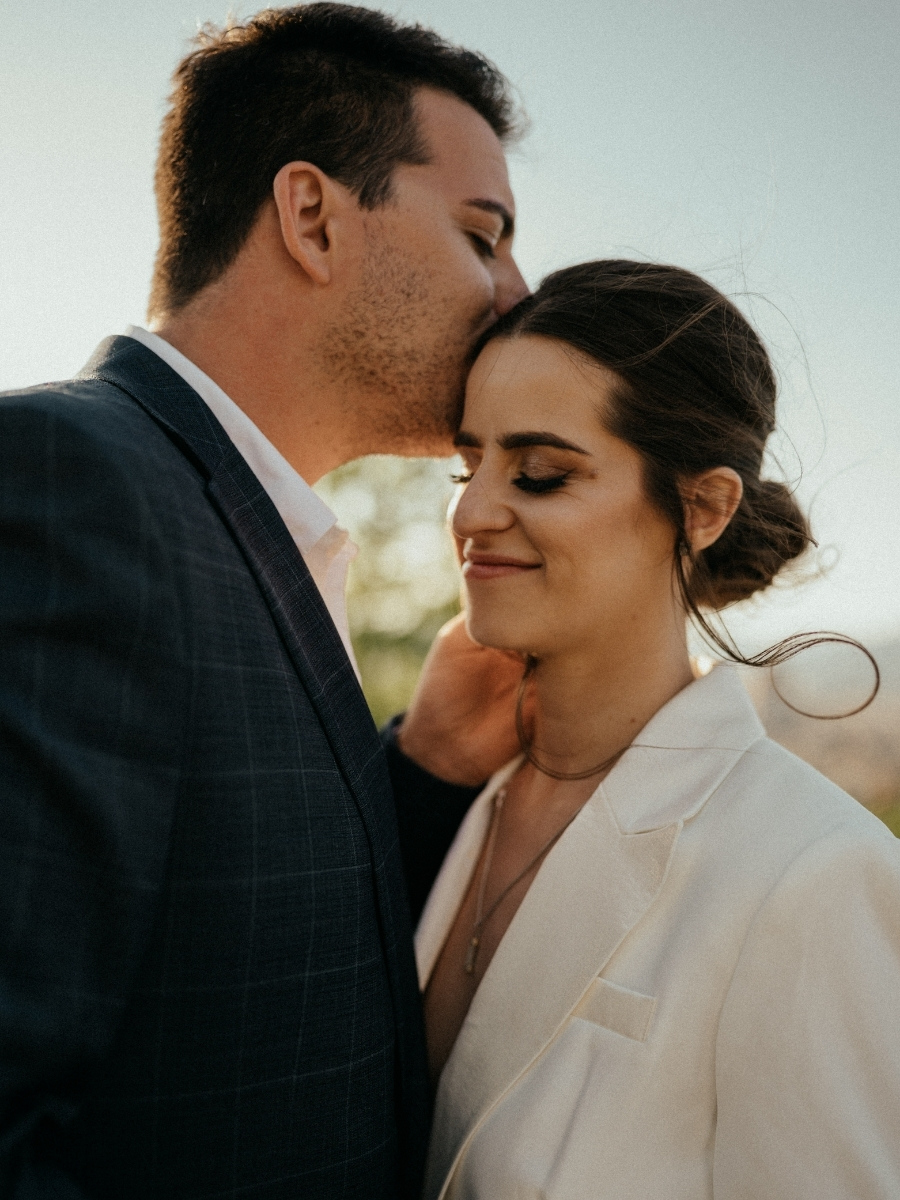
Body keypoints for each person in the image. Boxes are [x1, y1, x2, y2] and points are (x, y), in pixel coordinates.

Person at [0, 6, 529, 1197]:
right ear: (311, 215)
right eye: (483, 235)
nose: (516, 291)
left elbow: (233, 956)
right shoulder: (70, 484)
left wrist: (428, 768)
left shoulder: (251, 525)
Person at [413, 260, 900, 1199]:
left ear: (704, 507)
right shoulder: (454, 795)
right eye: (467, 464)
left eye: (542, 473)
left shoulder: (816, 875)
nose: (471, 511)